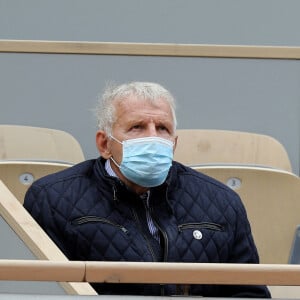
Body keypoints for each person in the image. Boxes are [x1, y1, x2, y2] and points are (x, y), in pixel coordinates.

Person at [24, 81, 271, 297]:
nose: (152, 138)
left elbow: (249, 293)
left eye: (162, 128)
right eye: (137, 127)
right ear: (104, 143)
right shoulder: (53, 199)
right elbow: (43, 291)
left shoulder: (221, 202)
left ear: (174, 143)